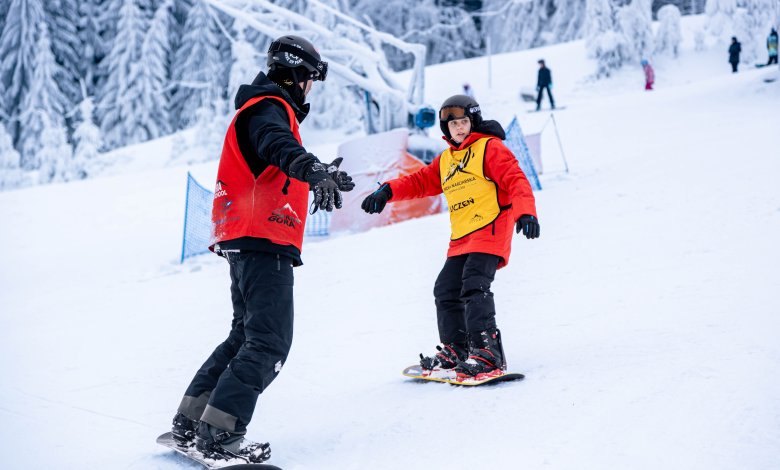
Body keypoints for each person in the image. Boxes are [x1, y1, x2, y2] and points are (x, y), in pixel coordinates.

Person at [169, 35, 354, 463]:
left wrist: (312, 173)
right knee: (269, 342)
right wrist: (312, 167)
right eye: (309, 79)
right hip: (262, 237)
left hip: (245, 235)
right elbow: (277, 145)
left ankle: (193, 421)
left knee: (245, 336)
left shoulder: (261, 107)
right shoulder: (269, 109)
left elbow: (277, 153)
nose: (310, 89)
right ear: (295, 75)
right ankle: (219, 433)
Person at [361, 95, 539, 382]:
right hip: (462, 237)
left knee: (474, 285)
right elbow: (418, 182)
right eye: (453, 124)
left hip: (491, 228)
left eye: (464, 122)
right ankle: (456, 350)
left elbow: (515, 179)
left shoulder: (489, 148)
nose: (458, 128)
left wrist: (526, 213)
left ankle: (487, 353)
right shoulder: (446, 159)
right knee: (445, 289)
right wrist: (387, 191)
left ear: (474, 122)